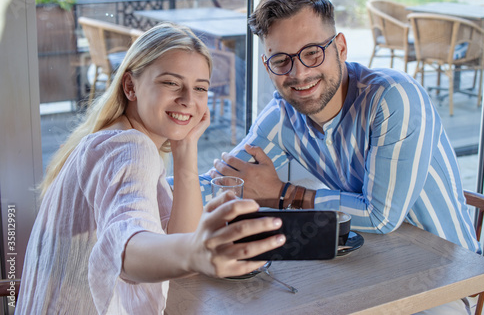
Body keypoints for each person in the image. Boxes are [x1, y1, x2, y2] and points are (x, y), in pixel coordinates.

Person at [201, 0, 484, 314]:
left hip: (446, 279)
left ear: (341, 47)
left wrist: (283, 194)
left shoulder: (394, 98)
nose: (299, 73)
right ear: (268, 67)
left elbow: (380, 217)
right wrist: (141, 188)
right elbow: (220, 185)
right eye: (281, 60)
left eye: (311, 53)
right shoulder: (282, 116)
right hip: (366, 264)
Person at [15, 22, 285, 314]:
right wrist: (194, 252)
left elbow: (178, 241)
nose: (187, 99)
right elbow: (125, 243)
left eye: (200, 88)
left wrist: (186, 151)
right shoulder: (128, 148)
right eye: (170, 83)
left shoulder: (116, 138)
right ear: (130, 86)